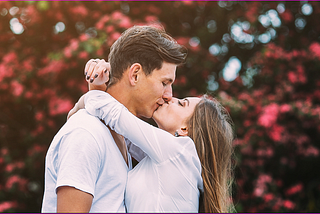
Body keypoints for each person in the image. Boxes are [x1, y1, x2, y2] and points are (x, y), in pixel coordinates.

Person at [41, 25, 187, 212]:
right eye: (164, 83)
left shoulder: (122, 138)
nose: (169, 95)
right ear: (135, 75)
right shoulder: (86, 133)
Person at [70, 59, 235, 212]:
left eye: (182, 103)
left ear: (185, 129)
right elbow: (120, 134)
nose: (170, 98)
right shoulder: (169, 161)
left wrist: (82, 103)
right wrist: (112, 81)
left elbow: (114, 114)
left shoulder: (179, 152)